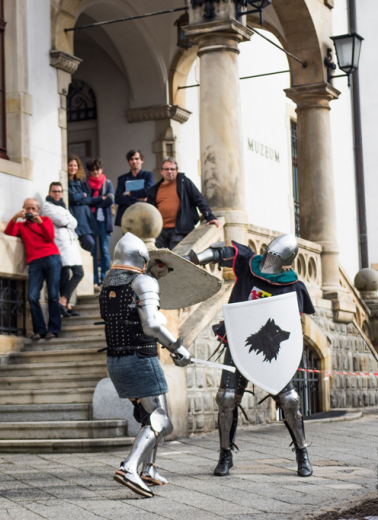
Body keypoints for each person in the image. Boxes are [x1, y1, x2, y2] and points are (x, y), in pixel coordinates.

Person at [188, 234, 316, 478]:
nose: (269, 259)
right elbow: (222, 253)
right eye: (269, 253)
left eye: (275, 256)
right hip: (240, 344)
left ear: (286, 260)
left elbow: (293, 323)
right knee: (226, 398)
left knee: (290, 400)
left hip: (273, 352)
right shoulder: (249, 264)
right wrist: (196, 259)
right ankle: (225, 455)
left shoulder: (292, 286)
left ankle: (302, 452)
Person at [100, 233, 192, 498]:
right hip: (139, 359)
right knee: (160, 420)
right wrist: (177, 347)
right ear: (141, 259)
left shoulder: (108, 286)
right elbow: (151, 324)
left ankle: (148, 469)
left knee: (150, 415)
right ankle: (130, 468)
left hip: (117, 360)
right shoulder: (143, 281)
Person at [5, 198, 62, 340]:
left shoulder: (46, 220)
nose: (30, 211)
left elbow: (50, 237)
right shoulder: (22, 226)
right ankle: (40, 329)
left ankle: (53, 329)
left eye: (33, 209)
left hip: (52, 258)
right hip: (35, 262)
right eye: (28, 209)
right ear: (23, 209)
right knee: (32, 296)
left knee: (53, 295)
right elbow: (9, 232)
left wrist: (40, 223)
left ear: (38, 209)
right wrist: (16, 217)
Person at [145, 157, 219, 250]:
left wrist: (210, 217)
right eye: (166, 169)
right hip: (160, 232)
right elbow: (149, 211)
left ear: (177, 170)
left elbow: (199, 199)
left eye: (172, 169)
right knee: (161, 260)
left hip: (179, 230)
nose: (170, 171)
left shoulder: (184, 182)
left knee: (177, 258)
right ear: (161, 171)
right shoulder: (154, 190)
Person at [40, 182, 84, 318]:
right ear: (50, 192)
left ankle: (64, 301)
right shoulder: (47, 206)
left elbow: (74, 222)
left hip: (70, 243)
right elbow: (60, 221)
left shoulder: (63, 206)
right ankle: (66, 304)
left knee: (78, 273)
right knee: (64, 275)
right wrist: (68, 221)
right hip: (60, 243)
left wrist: (68, 221)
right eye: (54, 191)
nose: (57, 194)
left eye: (59, 191)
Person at [86, 159, 115, 286]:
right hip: (91, 220)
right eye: (93, 170)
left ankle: (104, 278)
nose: (95, 172)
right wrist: (99, 199)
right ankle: (93, 280)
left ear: (101, 170)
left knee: (104, 249)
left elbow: (110, 200)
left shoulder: (107, 183)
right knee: (92, 250)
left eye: (97, 169)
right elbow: (85, 200)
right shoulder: (85, 184)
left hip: (104, 220)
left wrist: (94, 201)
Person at [114, 150, 155, 227]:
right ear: (128, 162)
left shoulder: (148, 175)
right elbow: (118, 198)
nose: (134, 161)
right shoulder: (122, 178)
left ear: (141, 160)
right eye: (131, 159)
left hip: (145, 215)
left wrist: (128, 193)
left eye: (136, 159)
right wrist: (139, 198)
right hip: (128, 217)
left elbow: (148, 192)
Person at [67, 156, 96, 253]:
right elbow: (72, 198)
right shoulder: (66, 182)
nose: (73, 168)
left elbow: (89, 199)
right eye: (70, 165)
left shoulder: (80, 183)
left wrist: (79, 198)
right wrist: (82, 195)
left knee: (90, 244)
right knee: (87, 242)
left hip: (85, 219)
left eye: (75, 165)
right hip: (75, 216)